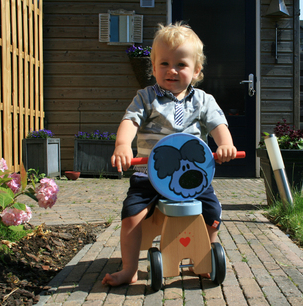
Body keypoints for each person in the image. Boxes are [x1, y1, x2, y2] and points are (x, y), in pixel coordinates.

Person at [102, 22, 237, 286]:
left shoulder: (204, 100)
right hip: (148, 175)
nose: (171, 70)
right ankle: (129, 268)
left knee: (212, 213)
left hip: (194, 176)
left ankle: (202, 258)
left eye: (181, 65)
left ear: (196, 71)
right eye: (164, 63)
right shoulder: (146, 97)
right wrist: (122, 146)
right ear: (153, 67)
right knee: (131, 216)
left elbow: (219, 125)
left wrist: (225, 145)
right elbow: (130, 121)